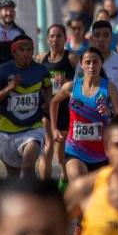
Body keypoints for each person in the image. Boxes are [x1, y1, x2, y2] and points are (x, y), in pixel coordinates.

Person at [50, 46, 118, 181]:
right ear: (81, 64)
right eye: (87, 62)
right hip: (74, 150)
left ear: (101, 64)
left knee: (96, 194)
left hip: (101, 153)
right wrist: (54, 129)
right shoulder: (71, 87)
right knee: (78, 182)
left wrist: (109, 112)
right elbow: (54, 102)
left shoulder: (109, 88)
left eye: (95, 62)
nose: (91, 66)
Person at [0, 35, 52, 179]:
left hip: (33, 129)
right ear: (13, 52)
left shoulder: (41, 70)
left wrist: (47, 101)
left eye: (29, 50)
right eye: (22, 50)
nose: (26, 53)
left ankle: (34, 199)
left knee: (28, 167)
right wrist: (9, 88)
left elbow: (47, 86)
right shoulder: (2, 71)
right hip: (7, 132)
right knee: (13, 177)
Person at [38, 24, 77, 179]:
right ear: (48, 39)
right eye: (52, 36)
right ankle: (44, 187)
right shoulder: (41, 58)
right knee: (47, 149)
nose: (55, 39)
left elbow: (82, 81)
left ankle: (64, 179)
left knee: (61, 156)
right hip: (47, 108)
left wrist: (66, 80)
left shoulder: (72, 58)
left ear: (65, 38)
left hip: (65, 109)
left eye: (59, 36)